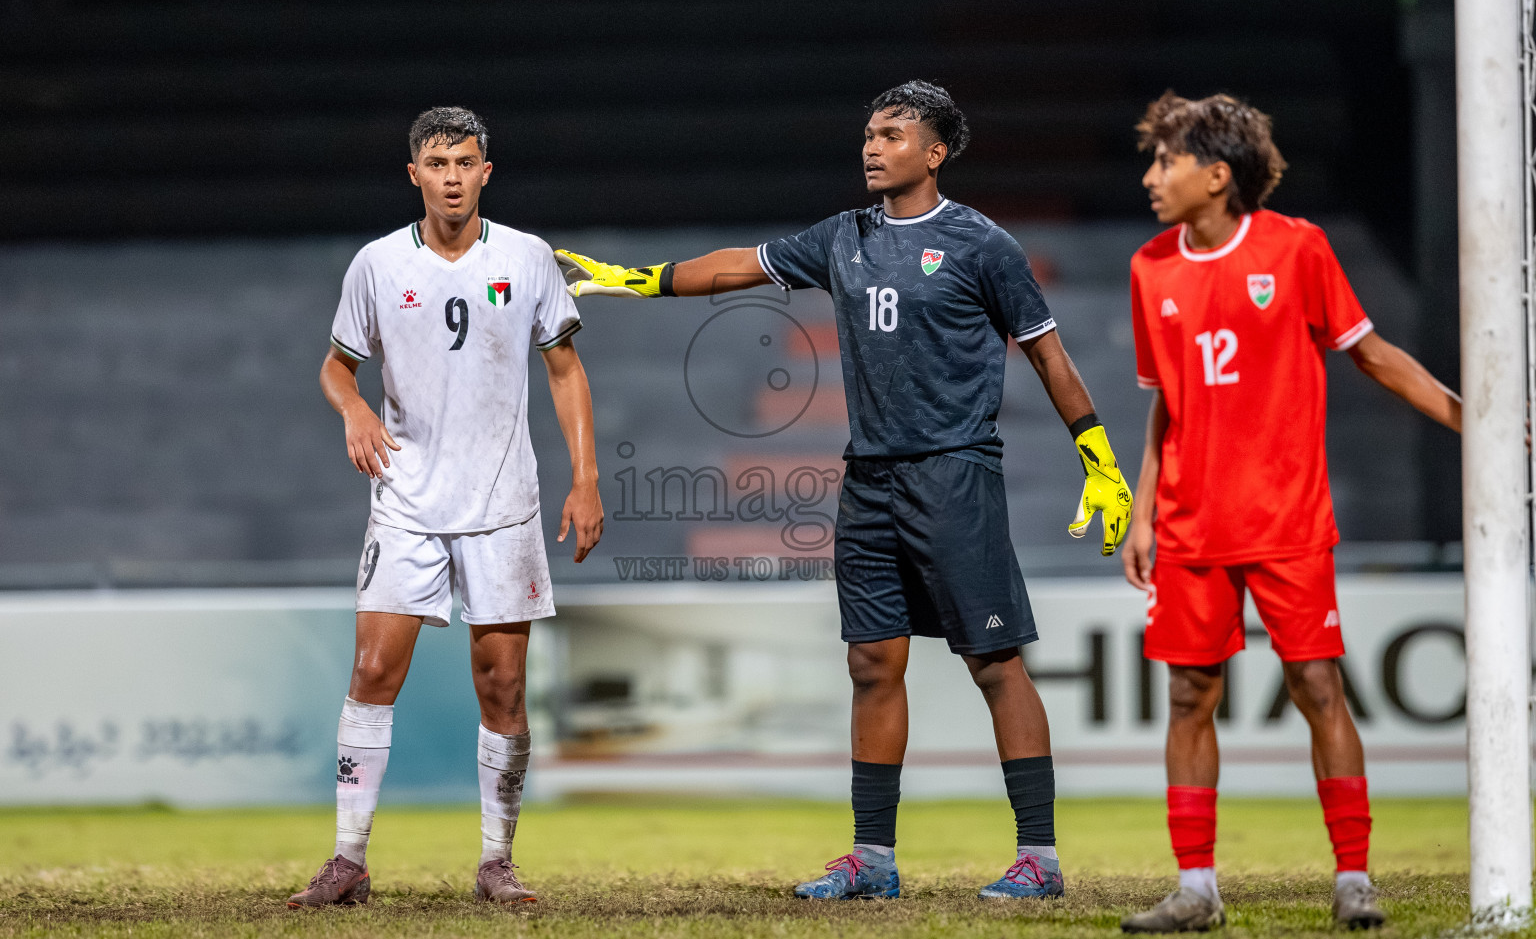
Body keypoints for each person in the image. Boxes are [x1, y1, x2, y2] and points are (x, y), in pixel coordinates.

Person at [556, 80, 1132, 901]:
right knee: (871, 663)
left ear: (935, 152)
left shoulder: (982, 244)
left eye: (893, 135)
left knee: (995, 662)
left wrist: (1097, 457)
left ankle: (1038, 856)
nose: (872, 146)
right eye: (869, 134)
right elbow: (741, 265)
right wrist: (644, 280)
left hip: (955, 473)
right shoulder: (844, 236)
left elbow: (1047, 352)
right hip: (868, 481)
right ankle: (873, 859)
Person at [1118, 91, 1461, 932]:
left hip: (1286, 520)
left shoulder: (1297, 247)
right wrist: (1142, 511)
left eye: (1166, 160)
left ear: (1217, 175)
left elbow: (1372, 355)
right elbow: (1165, 403)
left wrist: (1470, 419)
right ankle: (1196, 888)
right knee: (1189, 695)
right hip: (1191, 524)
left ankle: (1354, 879)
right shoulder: (1149, 267)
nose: (1151, 176)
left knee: (1317, 684)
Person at [288, 107, 603, 909]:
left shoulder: (527, 257)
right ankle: (348, 860)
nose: (452, 177)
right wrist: (354, 409)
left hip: (503, 503)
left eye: (465, 162)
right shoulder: (378, 263)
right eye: (437, 163)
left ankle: (498, 863)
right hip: (407, 501)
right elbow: (335, 366)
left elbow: (565, 369)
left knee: (503, 686)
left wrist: (586, 478)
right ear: (415, 174)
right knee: (371, 673)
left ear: (486, 172)